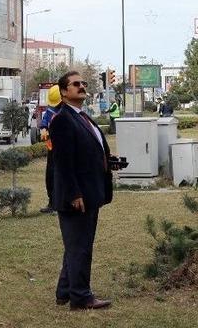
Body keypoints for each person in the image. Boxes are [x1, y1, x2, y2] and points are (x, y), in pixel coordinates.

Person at [49, 71, 115, 310]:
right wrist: (74, 194)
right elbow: (63, 163)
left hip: (91, 191)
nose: (82, 86)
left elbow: (88, 152)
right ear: (64, 92)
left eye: (83, 83)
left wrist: (109, 161)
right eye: (75, 84)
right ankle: (81, 297)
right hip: (77, 196)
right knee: (80, 248)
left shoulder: (82, 117)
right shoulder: (62, 120)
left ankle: (65, 291)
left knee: (75, 245)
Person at [39, 85, 62, 214]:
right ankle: (52, 203)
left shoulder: (66, 113)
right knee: (50, 176)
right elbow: (45, 121)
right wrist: (43, 129)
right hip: (52, 149)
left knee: (61, 177)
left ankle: (59, 205)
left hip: (63, 150)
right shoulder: (50, 110)